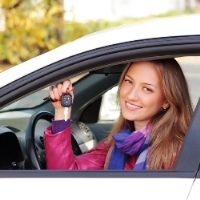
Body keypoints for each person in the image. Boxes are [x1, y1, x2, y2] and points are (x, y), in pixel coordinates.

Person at [44, 58, 193, 170]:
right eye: (129, 81)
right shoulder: (119, 142)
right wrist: (62, 109)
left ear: (166, 101)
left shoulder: (178, 152)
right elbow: (64, 176)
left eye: (147, 89)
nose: (131, 95)